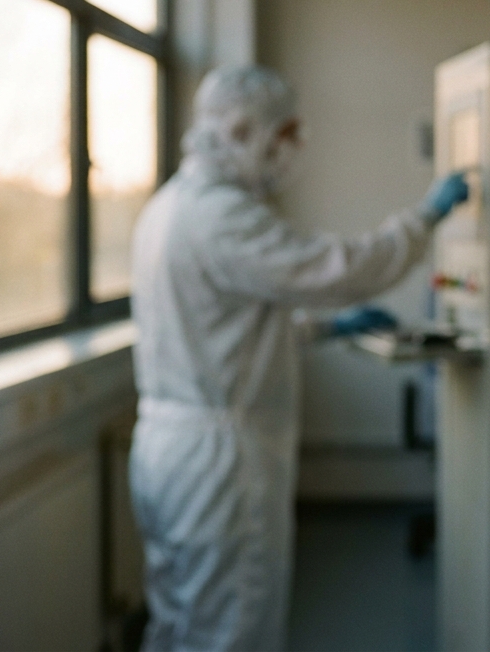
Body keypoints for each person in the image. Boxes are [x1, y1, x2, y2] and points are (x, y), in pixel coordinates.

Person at [127, 65, 468, 651]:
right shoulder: (221, 217)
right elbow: (341, 268)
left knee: (178, 625)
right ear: (242, 131)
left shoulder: (170, 206)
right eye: (285, 134)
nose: (292, 149)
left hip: (164, 447)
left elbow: (224, 326)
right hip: (217, 465)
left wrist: (330, 329)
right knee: (232, 634)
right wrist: (425, 218)